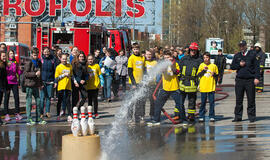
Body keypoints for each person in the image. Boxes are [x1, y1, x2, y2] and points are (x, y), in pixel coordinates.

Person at [147, 51, 182, 126]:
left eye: (168, 57)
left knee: (180, 104)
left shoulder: (175, 64)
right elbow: (159, 71)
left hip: (174, 88)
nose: (166, 59)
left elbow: (176, 72)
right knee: (158, 103)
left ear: (171, 57)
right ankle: (156, 120)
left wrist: (172, 66)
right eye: (165, 58)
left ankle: (184, 119)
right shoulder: (163, 65)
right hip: (165, 88)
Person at [231, 40, 260, 123]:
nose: (241, 47)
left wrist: (257, 78)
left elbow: (257, 67)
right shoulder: (237, 55)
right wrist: (239, 65)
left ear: (246, 46)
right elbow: (232, 67)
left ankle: (251, 117)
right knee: (238, 100)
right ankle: (238, 117)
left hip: (250, 80)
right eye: (240, 46)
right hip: (240, 80)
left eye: (243, 46)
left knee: (251, 99)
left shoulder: (252, 54)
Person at [178, 42, 203, 122]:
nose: (193, 51)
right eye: (192, 50)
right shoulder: (184, 58)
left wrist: (199, 84)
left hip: (192, 83)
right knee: (180, 100)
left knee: (192, 100)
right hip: (183, 83)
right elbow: (179, 70)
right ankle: (178, 114)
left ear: (197, 51)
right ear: (189, 50)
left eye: (194, 50)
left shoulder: (199, 60)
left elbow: (201, 73)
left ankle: (191, 115)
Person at [24, 48, 46, 125]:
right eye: (34, 55)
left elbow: (40, 74)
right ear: (31, 54)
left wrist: (40, 84)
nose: (35, 56)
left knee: (38, 101)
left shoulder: (39, 62)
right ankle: (29, 119)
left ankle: (38, 118)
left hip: (36, 85)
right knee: (29, 102)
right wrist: (35, 74)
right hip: (29, 85)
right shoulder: (29, 62)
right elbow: (26, 74)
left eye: (36, 55)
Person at [197, 52, 219, 122]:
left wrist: (214, 74)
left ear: (209, 58)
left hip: (211, 87)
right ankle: (201, 116)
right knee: (203, 102)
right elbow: (198, 75)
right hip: (203, 87)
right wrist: (203, 70)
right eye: (204, 58)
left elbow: (217, 76)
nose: (205, 59)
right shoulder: (201, 65)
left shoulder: (213, 66)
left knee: (211, 102)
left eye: (207, 57)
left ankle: (211, 116)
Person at [127, 43, 146, 123]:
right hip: (134, 83)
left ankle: (138, 117)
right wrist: (134, 83)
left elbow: (144, 70)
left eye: (137, 49)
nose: (136, 50)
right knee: (132, 100)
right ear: (132, 50)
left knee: (140, 101)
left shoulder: (142, 58)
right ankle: (130, 118)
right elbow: (130, 72)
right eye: (134, 49)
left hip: (141, 82)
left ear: (139, 49)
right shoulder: (131, 58)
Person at [4, 49, 23, 122]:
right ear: (8, 54)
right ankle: (6, 114)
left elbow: (18, 72)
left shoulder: (15, 62)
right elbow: (4, 72)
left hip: (14, 82)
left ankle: (17, 113)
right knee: (6, 98)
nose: (12, 55)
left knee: (16, 97)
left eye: (13, 53)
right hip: (8, 82)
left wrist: (20, 70)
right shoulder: (6, 62)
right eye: (11, 53)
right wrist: (7, 66)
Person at [55, 54, 73, 121]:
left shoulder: (70, 66)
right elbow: (56, 78)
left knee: (68, 101)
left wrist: (74, 81)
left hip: (68, 86)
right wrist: (63, 75)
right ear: (60, 59)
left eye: (65, 59)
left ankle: (69, 115)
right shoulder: (58, 67)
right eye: (63, 59)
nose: (64, 60)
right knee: (60, 101)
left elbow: (71, 75)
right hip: (61, 86)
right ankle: (57, 114)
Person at [40, 47, 56, 118]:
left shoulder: (52, 60)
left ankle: (47, 112)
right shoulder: (41, 60)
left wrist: (55, 81)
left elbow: (55, 71)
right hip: (42, 81)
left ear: (49, 52)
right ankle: (41, 112)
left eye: (47, 52)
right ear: (43, 52)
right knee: (42, 98)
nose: (46, 53)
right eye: (45, 52)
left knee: (49, 97)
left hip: (50, 81)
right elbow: (39, 71)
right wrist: (39, 82)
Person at [144, 50, 158, 120]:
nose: (148, 56)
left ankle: (152, 115)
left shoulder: (155, 62)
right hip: (145, 84)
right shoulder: (144, 62)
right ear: (145, 55)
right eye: (147, 54)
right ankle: (142, 116)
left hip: (153, 84)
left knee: (152, 101)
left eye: (150, 54)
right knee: (143, 100)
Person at [0, 51, 8, 125]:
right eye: (3, 56)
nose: (4, 57)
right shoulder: (1, 65)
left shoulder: (4, 65)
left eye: (5, 56)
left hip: (2, 87)